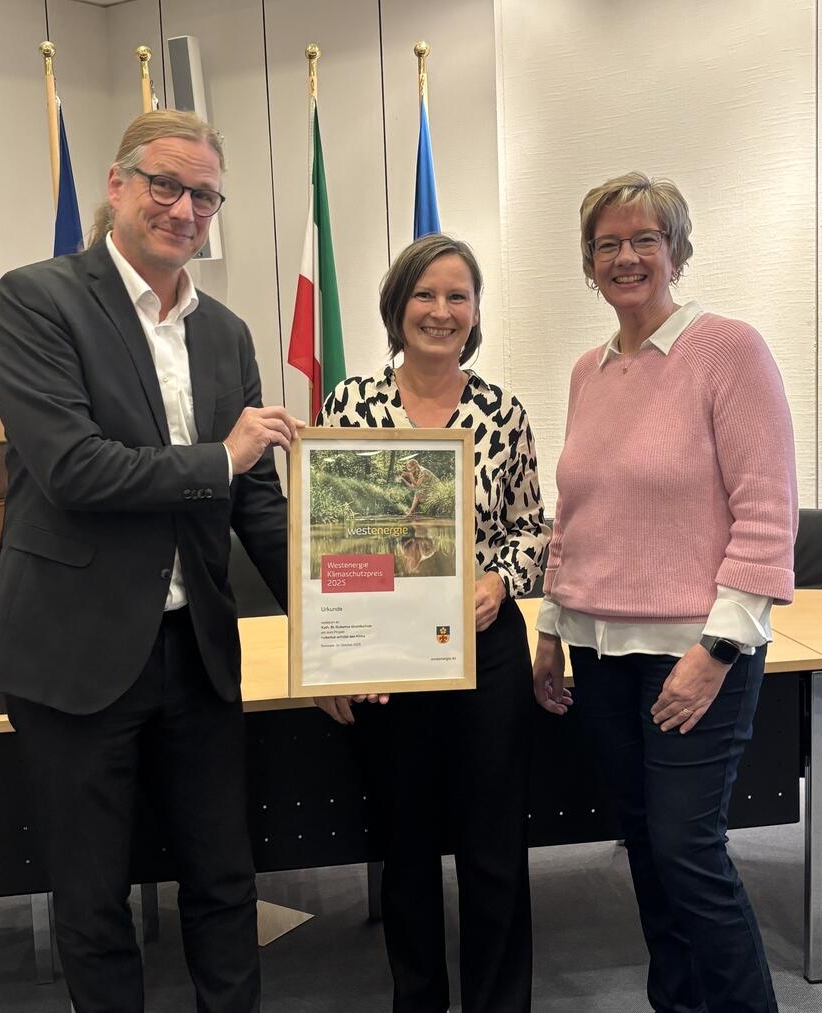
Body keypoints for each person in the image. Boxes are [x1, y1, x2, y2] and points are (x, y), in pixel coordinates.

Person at [0, 110, 297, 1013]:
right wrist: (221, 457)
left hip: (194, 650)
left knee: (225, 880)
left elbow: (256, 505)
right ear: (116, 186)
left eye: (204, 194)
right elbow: (73, 468)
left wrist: (337, 629)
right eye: (165, 183)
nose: (184, 207)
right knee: (92, 900)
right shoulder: (37, 299)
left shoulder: (226, 333)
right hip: (75, 655)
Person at [532, 173, 797, 1013]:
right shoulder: (589, 369)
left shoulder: (729, 350)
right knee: (646, 845)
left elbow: (766, 509)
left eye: (645, 239)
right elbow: (575, 514)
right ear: (588, 263)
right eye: (607, 244)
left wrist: (718, 649)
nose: (626, 257)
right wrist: (551, 625)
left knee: (688, 847)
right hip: (602, 654)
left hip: (695, 651)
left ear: (676, 250)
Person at [314, 234, 548, 1013]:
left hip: (485, 651)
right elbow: (327, 540)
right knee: (404, 845)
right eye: (426, 294)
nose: (441, 311)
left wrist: (497, 579)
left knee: (492, 847)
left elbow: (528, 530)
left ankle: (497, 1004)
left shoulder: (503, 412)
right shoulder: (350, 405)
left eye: (458, 297)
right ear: (397, 305)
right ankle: (417, 999)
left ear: (475, 313)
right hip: (388, 653)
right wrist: (332, 662)